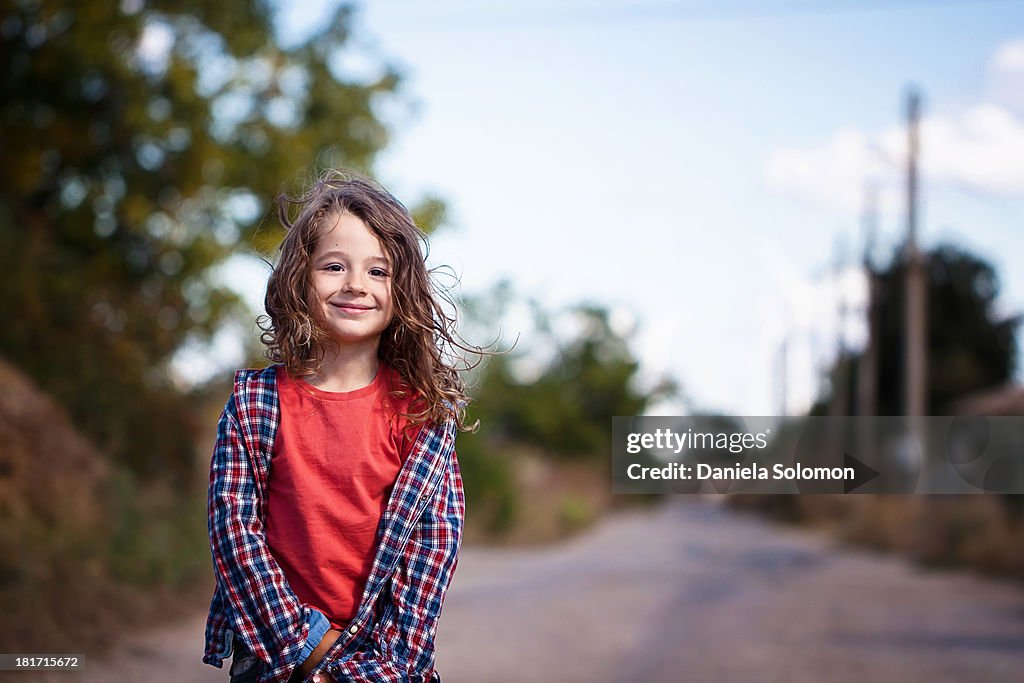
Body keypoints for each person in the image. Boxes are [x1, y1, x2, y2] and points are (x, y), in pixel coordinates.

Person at [202, 171, 474, 683]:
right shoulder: (255, 403)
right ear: (298, 279)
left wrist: (366, 669)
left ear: (403, 292)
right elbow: (235, 536)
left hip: (384, 664)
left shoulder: (421, 417)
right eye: (334, 266)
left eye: (378, 271)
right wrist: (311, 651)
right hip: (275, 655)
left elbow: (432, 552)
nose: (355, 284)